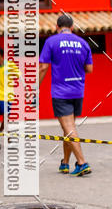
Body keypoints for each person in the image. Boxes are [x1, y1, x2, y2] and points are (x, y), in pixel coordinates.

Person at [39, 14, 93, 176]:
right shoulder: (83, 43)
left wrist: (34, 88)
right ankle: (65, 163)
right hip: (77, 91)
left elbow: (43, 68)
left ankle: (82, 163)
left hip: (61, 92)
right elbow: (89, 69)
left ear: (57, 27)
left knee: (68, 128)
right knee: (68, 128)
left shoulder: (51, 41)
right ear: (72, 27)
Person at [0, 47, 20, 136]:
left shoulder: (10, 65)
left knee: (6, 117)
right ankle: (8, 135)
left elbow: (20, 77)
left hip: (10, 95)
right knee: (6, 115)